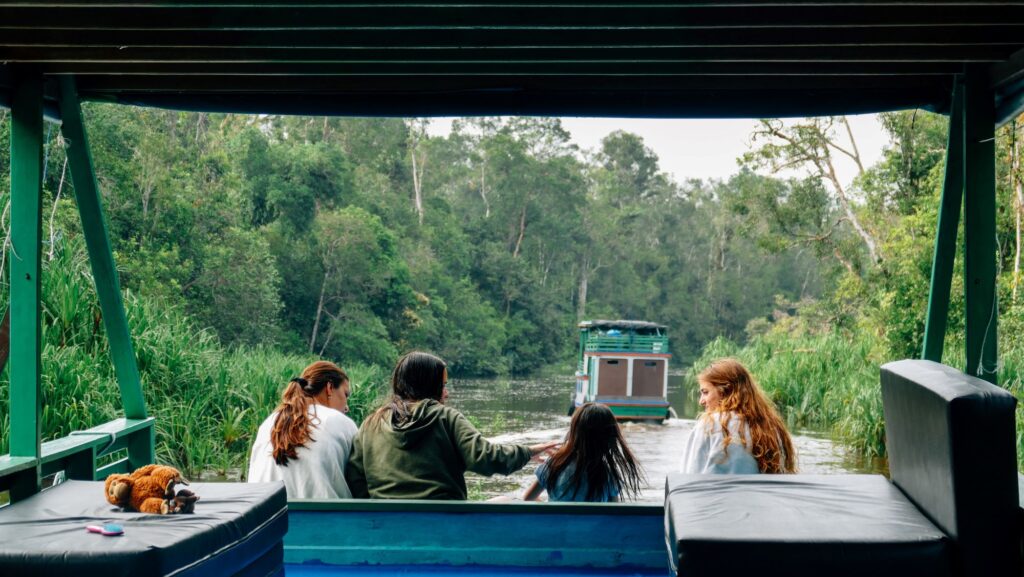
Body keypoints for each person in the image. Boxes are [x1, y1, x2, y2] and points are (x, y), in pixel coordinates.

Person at [345, 351, 558, 500]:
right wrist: (527, 452)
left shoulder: (370, 424)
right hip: (444, 523)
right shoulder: (447, 417)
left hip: (386, 523)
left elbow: (355, 478)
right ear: (429, 384)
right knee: (504, 502)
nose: (447, 392)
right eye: (443, 385)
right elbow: (485, 458)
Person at [247, 360, 358, 498]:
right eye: (345, 394)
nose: (347, 407)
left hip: (268, 517)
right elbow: (360, 481)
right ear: (329, 387)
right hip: (324, 517)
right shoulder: (340, 421)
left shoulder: (268, 422)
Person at [680, 358, 797, 474]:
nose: (701, 401)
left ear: (725, 391)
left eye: (705, 392)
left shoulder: (708, 425)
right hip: (758, 493)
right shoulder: (772, 427)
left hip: (718, 492)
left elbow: (690, 477)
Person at [523, 403, 644, 502]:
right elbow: (613, 514)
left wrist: (548, 505)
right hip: (593, 531)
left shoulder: (553, 466)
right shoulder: (608, 476)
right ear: (609, 440)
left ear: (574, 433)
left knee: (503, 499)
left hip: (557, 530)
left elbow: (528, 499)